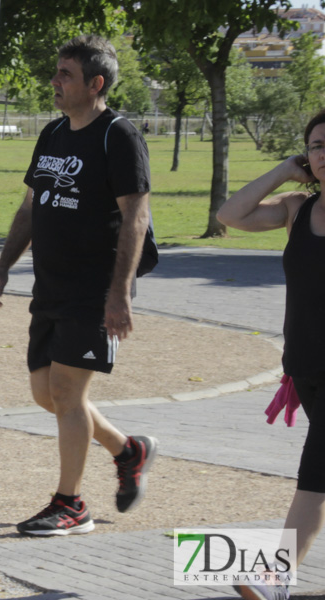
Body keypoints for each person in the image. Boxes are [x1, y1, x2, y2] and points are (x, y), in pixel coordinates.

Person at [0, 34, 159, 536]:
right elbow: (29, 208)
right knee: (48, 395)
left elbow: (136, 217)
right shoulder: (53, 134)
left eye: (66, 74)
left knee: (65, 391)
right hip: (52, 287)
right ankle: (129, 451)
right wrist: (2, 267)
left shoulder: (118, 135)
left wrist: (119, 293)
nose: (55, 82)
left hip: (95, 290)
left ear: (96, 83)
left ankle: (70, 504)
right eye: (57, 72)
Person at [216, 109, 325, 600]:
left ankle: (273, 576)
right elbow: (230, 215)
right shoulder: (298, 209)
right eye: (318, 146)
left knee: (316, 469)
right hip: (305, 365)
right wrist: (284, 169)